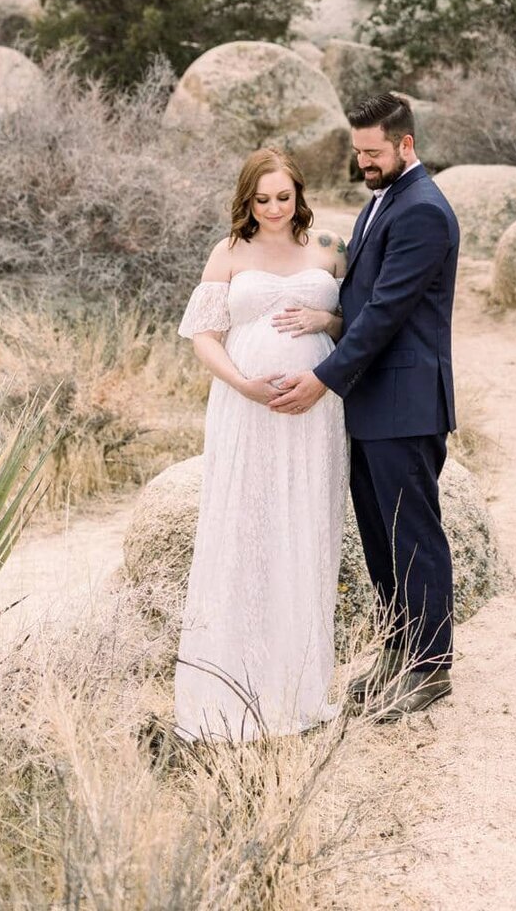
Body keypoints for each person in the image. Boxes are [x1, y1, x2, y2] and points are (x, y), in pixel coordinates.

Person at [269, 92, 460, 722]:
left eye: (373, 152)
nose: (364, 162)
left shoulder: (424, 210)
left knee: (412, 533)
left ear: (405, 144)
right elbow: (365, 296)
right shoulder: (386, 201)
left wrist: (323, 378)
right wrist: (329, 316)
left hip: (405, 401)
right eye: (357, 152)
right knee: (380, 537)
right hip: (375, 401)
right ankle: (397, 652)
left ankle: (429, 669)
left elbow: (387, 314)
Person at [173, 147, 348, 743]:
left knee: (304, 528)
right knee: (244, 530)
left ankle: (296, 689)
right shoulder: (227, 253)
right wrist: (245, 384)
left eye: (284, 197)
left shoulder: (328, 249)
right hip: (245, 412)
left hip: (316, 412)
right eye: (262, 199)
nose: (274, 209)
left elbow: (360, 321)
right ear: (246, 199)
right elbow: (204, 335)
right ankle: (230, 685)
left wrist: (324, 324)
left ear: (299, 193)